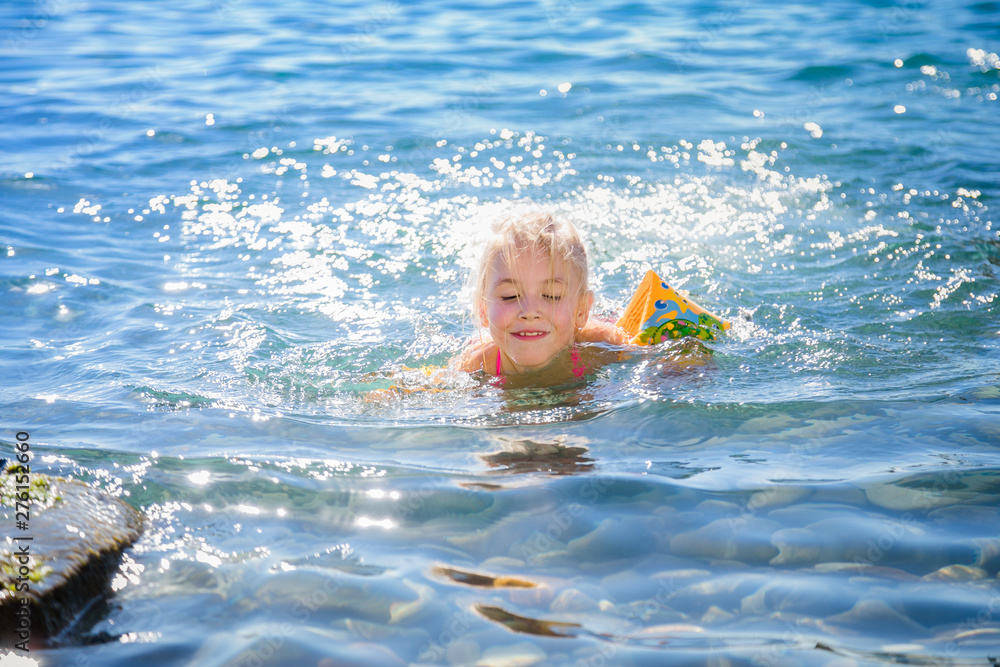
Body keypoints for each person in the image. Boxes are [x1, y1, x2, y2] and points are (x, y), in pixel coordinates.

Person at [451, 209, 628, 382]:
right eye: (510, 296)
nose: (529, 312)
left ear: (581, 311)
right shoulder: (475, 365)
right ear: (483, 310)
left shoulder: (603, 346)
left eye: (551, 296)